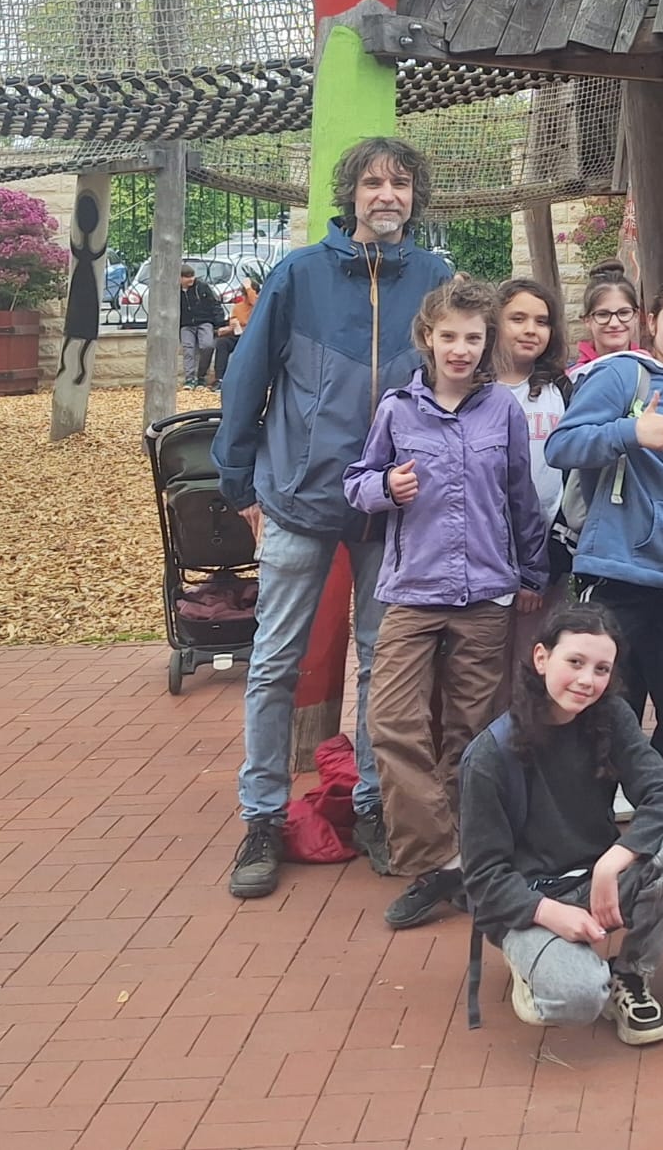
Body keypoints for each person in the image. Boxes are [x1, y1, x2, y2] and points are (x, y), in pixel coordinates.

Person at [214, 137, 453, 899]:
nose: (387, 194)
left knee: (386, 663)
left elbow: (459, 385)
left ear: (415, 196)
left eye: (401, 183)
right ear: (351, 193)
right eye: (373, 182)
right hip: (300, 497)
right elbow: (245, 381)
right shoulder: (298, 275)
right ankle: (262, 815)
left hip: (393, 507)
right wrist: (239, 482)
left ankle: (373, 806)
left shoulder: (436, 279)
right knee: (275, 661)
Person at [343, 275, 552, 928]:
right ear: (427, 338)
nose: (461, 349)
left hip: (486, 593)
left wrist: (531, 573)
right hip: (412, 591)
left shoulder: (502, 411)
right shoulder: (397, 409)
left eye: (473, 337)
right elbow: (356, 483)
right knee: (391, 720)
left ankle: (468, 860)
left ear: (487, 342)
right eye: (449, 336)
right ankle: (439, 857)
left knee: (471, 734)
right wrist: (386, 486)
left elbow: (521, 498)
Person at [461, 604, 663, 1044]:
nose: (586, 680)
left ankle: (630, 975)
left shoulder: (610, 717)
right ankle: (538, 970)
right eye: (574, 662)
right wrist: (551, 914)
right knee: (578, 997)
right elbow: (483, 879)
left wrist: (614, 861)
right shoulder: (489, 755)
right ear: (542, 658)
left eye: (601, 669)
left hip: (595, 882)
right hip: (529, 901)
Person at [546, 276, 663, 803]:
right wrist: (629, 433)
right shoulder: (624, 374)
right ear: (651, 321)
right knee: (611, 709)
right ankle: (591, 825)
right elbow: (561, 446)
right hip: (621, 572)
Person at [493, 277, 573, 710]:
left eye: (541, 321)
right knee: (486, 669)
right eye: (518, 318)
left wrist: (548, 558)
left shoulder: (560, 389)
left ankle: (530, 742)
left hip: (544, 550)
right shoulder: (478, 388)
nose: (530, 329)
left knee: (533, 660)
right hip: (487, 551)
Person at [568, 262, 641, 378]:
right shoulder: (573, 379)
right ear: (587, 320)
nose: (614, 323)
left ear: (636, 316)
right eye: (603, 314)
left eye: (623, 313)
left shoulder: (654, 371)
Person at [178, 265, 226, 389]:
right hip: (186, 324)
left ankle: (201, 376)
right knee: (188, 350)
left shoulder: (202, 287)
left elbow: (214, 304)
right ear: (180, 278)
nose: (191, 279)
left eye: (192, 276)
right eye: (187, 277)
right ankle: (189, 379)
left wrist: (219, 323)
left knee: (207, 346)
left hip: (204, 321)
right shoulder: (175, 290)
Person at [212, 276, 259, 388]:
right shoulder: (238, 307)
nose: (245, 298)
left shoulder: (259, 305)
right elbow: (234, 323)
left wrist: (249, 288)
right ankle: (220, 379)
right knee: (222, 342)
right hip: (239, 335)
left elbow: (255, 302)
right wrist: (228, 329)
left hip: (255, 336)